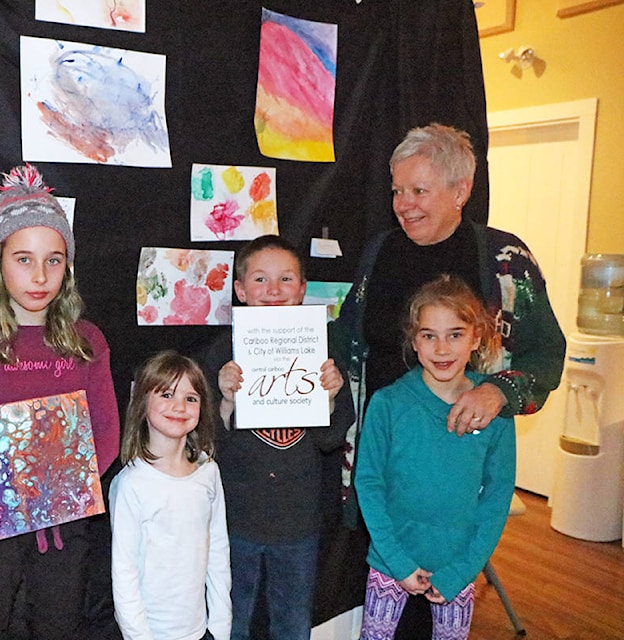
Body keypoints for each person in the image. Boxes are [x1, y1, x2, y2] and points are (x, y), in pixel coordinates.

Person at [326, 123, 566, 637]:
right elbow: (346, 335)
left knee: (440, 605)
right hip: (389, 460)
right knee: (386, 593)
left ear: (461, 191)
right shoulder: (379, 251)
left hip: (454, 477)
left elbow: (548, 353)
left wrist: (500, 391)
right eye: (396, 191)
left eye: (419, 191)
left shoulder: (506, 261)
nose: (403, 204)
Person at [0, 163, 120, 640]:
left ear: (68, 267)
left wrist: (59, 484)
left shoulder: (87, 340)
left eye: (54, 260)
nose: (40, 275)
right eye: (24, 259)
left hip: (64, 525)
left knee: (58, 625)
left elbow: (107, 436)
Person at [201, 234, 354, 640]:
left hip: (298, 521)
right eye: (260, 280)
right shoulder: (221, 355)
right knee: (230, 621)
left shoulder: (322, 352)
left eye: (286, 279)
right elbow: (201, 444)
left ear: (303, 290)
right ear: (240, 290)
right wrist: (225, 400)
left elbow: (331, 439)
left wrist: (332, 398)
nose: (273, 290)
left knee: (291, 621)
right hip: (235, 518)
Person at [355, 274, 516, 640]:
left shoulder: (495, 413)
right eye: (429, 335)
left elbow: (496, 497)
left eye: (455, 334)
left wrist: (462, 571)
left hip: (458, 565)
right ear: (415, 341)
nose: (442, 349)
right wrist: (397, 562)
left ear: (476, 337)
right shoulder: (388, 404)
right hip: (389, 560)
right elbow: (368, 482)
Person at [109, 350, 231, 640]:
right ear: (141, 403)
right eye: (166, 395)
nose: (179, 406)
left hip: (200, 632)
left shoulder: (208, 472)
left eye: (191, 398)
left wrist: (220, 626)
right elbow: (124, 576)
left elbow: (218, 552)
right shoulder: (132, 484)